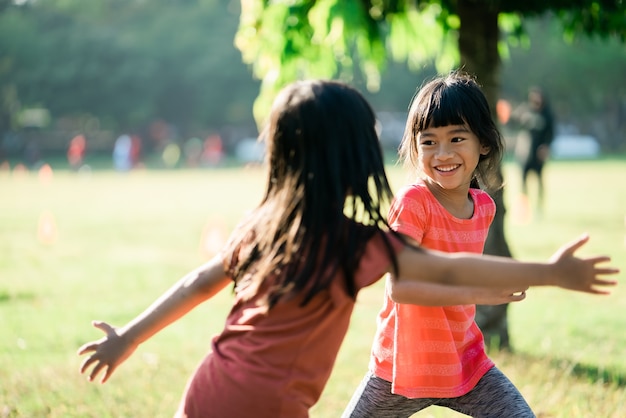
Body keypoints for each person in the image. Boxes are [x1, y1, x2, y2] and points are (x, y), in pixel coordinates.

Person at [77, 80, 618, 418]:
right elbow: (440, 273)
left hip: (210, 387)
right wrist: (550, 271)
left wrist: (127, 339)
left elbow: (197, 283)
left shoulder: (263, 224)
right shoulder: (355, 244)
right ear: (357, 156)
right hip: (289, 402)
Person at [343, 73, 570, 417]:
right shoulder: (413, 202)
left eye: (457, 138)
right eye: (429, 141)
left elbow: (469, 271)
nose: (442, 153)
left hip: (464, 362)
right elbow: (402, 288)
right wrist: (478, 294)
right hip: (403, 367)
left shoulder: (484, 208)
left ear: (484, 143)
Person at [512, 86, 555, 215]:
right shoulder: (525, 110)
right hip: (525, 153)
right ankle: (525, 208)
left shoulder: (547, 114)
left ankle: (539, 208)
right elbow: (513, 120)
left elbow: (551, 133)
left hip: (539, 154)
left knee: (539, 181)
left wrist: (546, 146)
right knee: (523, 182)